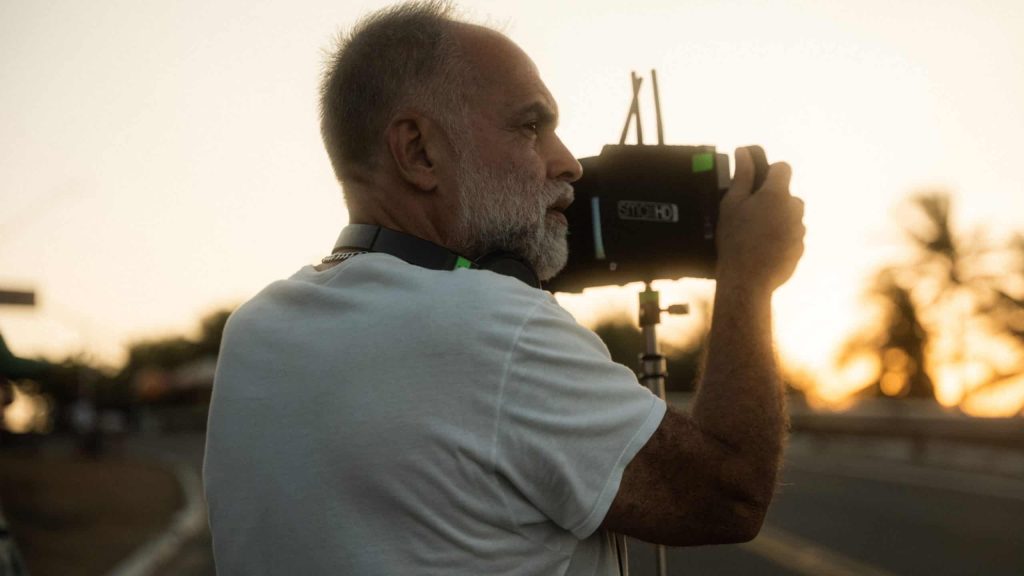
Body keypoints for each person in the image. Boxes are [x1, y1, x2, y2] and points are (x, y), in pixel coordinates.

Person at [203, 1, 805, 575]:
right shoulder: (494, 328)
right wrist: (750, 280)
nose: (569, 164)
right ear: (419, 152)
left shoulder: (256, 330)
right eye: (531, 127)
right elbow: (729, 494)